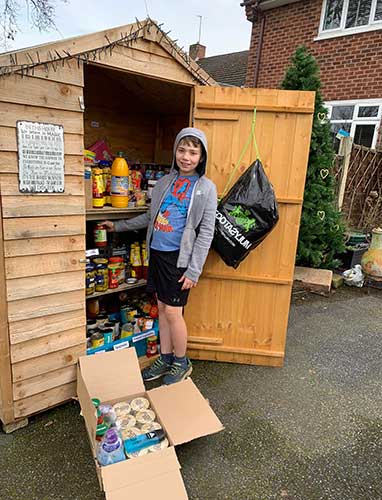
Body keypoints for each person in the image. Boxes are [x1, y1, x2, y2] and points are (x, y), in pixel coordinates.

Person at [103, 127, 217, 385]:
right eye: (182, 150)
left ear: (201, 156)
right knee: (163, 310)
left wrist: (194, 270)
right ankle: (165, 358)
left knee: (175, 313)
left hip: (180, 260)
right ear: (175, 151)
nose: (186, 156)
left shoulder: (206, 188)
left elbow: (207, 232)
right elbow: (149, 217)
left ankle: (181, 361)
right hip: (157, 255)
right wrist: (118, 226)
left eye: (193, 152)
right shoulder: (164, 182)